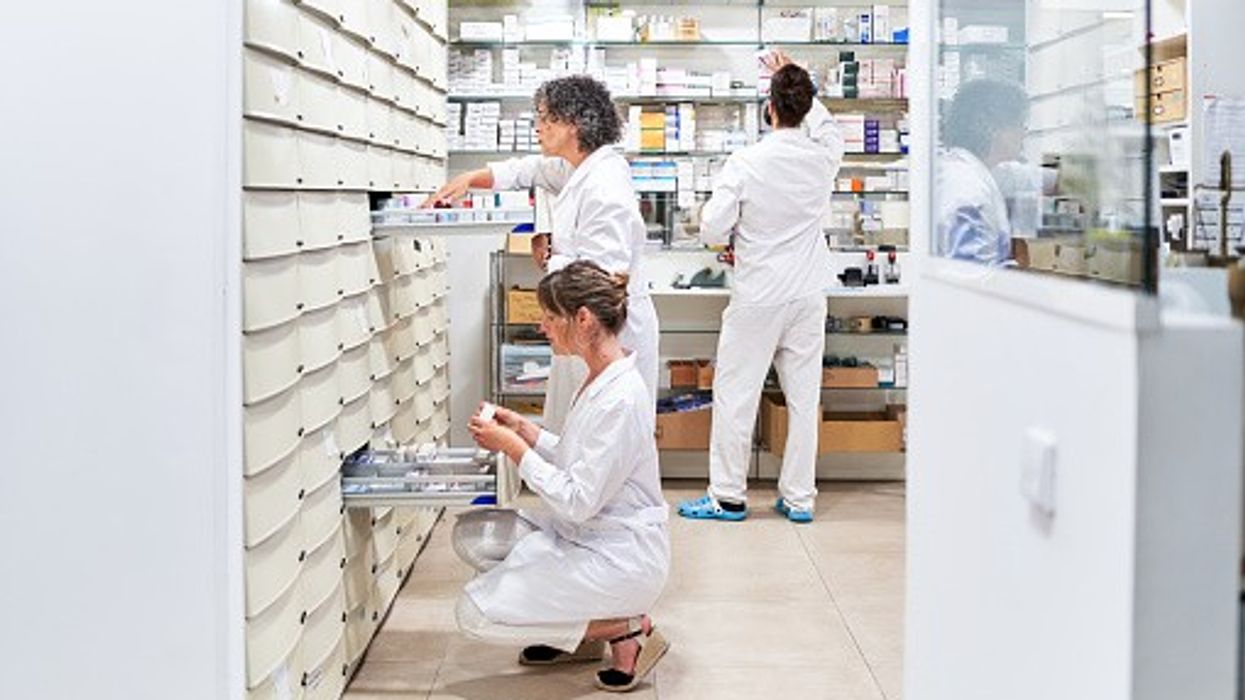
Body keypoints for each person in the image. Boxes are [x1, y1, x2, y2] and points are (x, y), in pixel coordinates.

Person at [454, 260, 671, 693]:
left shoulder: (621, 399)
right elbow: (581, 456)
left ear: (583, 319)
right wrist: (525, 431)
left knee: (475, 613)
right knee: (476, 535)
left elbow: (577, 498)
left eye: (550, 317)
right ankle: (579, 632)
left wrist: (512, 448)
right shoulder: (599, 377)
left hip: (619, 555)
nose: (542, 326)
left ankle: (623, 625)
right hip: (589, 534)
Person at [424, 75, 659, 433]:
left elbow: (604, 277)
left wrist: (552, 260)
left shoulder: (604, 185)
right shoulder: (579, 166)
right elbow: (528, 170)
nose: (538, 128)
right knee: (575, 436)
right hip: (581, 327)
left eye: (546, 118)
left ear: (575, 123)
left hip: (605, 332)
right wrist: (471, 177)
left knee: (602, 444)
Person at [676, 52, 844, 523]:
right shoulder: (824, 156)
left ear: (769, 108)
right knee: (804, 400)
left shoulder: (747, 161)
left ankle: (728, 496)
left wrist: (733, 231)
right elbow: (827, 126)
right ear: (806, 107)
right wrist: (801, 80)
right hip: (809, 294)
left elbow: (711, 228)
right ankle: (799, 498)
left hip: (759, 295)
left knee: (736, 394)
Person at [936, 78, 1030, 265]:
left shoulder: (975, 169)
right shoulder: (967, 189)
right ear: (992, 128)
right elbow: (968, 276)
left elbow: (1020, 177)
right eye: (1018, 123)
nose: (1024, 132)